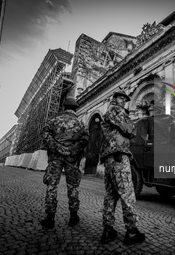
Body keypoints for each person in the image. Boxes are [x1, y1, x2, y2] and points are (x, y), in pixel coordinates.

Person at [100, 90, 145, 245]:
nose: (123, 101)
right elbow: (130, 130)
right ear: (115, 99)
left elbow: (128, 129)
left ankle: (108, 230)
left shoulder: (111, 112)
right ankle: (132, 231)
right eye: (121, 98)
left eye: (125, 99)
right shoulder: (115, 111)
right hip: (119, 156)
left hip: (109, 158)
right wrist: (130, 126)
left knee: (111, 195)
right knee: (127, 194)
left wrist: (128, 127)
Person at [40, 98, 89, 229]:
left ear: (64, 107)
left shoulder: (54, 121)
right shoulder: (80, 123)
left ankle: (50, 218)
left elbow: (45, 134)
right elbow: (85, 139)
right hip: (72, 159)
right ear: (75, 109)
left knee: (52, 186)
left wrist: (56, 147)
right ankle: (73, 216)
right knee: (73, 186)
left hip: (55, 157)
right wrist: (72, 150)